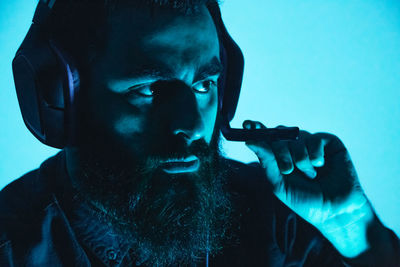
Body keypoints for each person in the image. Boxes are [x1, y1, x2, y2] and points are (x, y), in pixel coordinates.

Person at [1, 0, 399, 266]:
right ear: (61, 99)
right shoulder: (10, 246)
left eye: (204, 85)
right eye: (150, 89)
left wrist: (353, 227)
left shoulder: (281, 222)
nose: (191, 127)